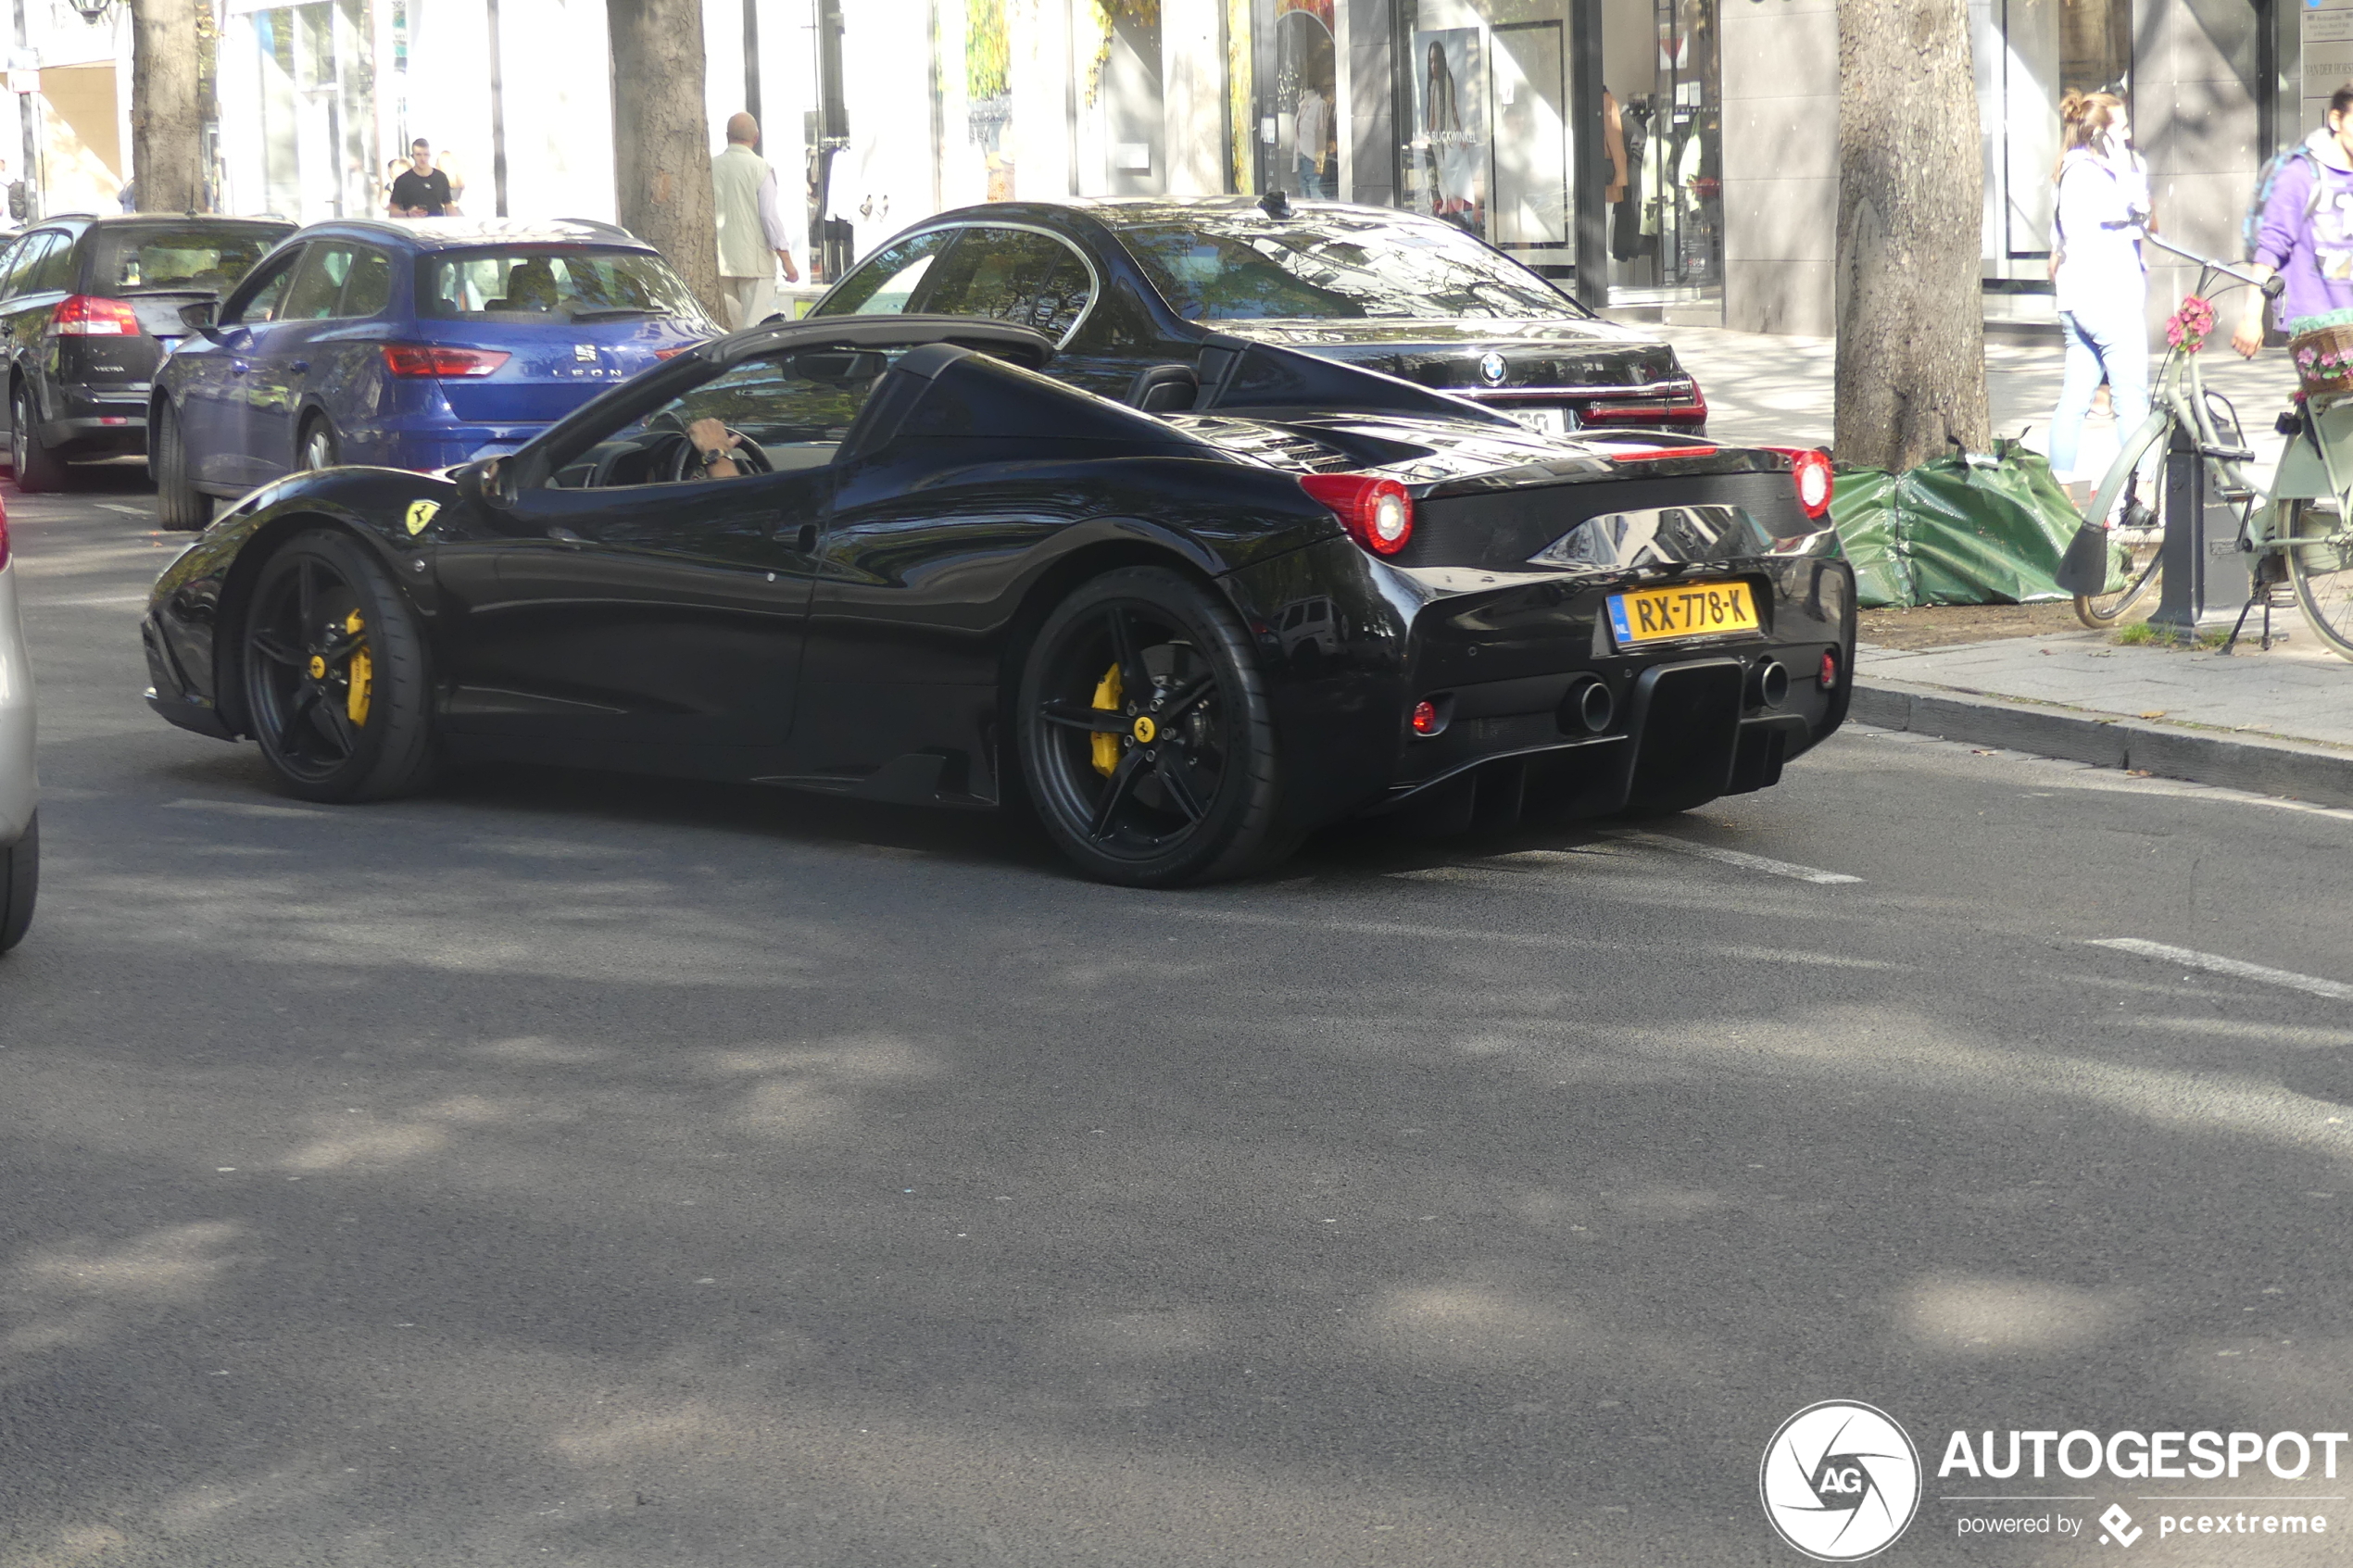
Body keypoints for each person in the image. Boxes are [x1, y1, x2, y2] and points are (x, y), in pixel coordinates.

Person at [2045, 90, 2152, 508]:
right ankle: (2141, 492)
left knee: (2074, 398)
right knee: (2131, 398)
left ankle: (2060, 493)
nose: (2128, 136)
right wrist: (2124, 164)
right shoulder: (2098, 175)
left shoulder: (2067, 171)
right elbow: (2137, 212)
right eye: (2121, 128)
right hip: (2109, 296)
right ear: (2103, 134)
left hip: (2075, 301)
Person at [2235, 82, 2353, 358]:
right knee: (2329, 401)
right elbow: (2271, 247)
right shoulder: (2301, 174)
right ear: (2336, 119)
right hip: (2314, 324)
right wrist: (2251, 317)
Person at [711, 112, 801, 332]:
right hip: (756, 263)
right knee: (758, 328)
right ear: (756, 137)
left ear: (727, 136)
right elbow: (769, 216)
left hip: (720, 262)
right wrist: (786, 259)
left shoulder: (709, 167)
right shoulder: (760, 168)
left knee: (729, 329)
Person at [389, 140, 458, 217]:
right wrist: (408, 214)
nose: (423, 159)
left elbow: (449, 205)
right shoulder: (402, 181)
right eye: (418, 155)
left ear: (430, 155)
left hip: (437, 226)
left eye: (426, 154)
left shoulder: (440, 177)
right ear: (413, 156)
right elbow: (392, 211)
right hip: (412, 226)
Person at [1295, 81, 1332, 199]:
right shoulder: (1301, 105)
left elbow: (1321, 134)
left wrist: (1320, 163)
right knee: (1304, 197)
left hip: (1311, 159)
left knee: (1316, 196)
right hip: (1300, 158)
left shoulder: (1319, 104)